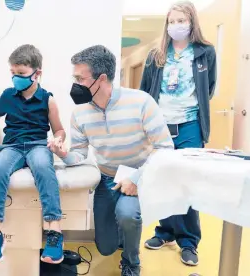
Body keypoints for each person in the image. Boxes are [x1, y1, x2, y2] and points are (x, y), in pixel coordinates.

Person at [49, 45, 174, 276]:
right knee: (105, 248)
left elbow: (165, 148)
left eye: (80, 78)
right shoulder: (80, 113)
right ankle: (122, 236)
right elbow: (79, 154)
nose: (75, 84)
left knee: (128, 214)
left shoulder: (141, 102)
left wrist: (137, 178)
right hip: (107, 178)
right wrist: (63, 153)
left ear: (102, 78)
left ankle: (131, 260)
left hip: (138, 175)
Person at [0, 44, 66, 266]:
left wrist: (58, 139)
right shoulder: (8, 95)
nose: (16, 78)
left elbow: (59, 129)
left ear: (36, 73)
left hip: (37, 144)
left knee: (43, 169)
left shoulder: (47, 99)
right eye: (13, 73)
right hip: (11, 146)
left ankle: (54, 232)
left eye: (21, 73)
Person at [139, 1, 216, 266]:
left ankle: (188, 241)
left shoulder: (205, 53)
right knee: (162, 179)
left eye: (181, 20)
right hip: (160, 125)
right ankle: (165, 231)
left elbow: (210, 87)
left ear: (192, 22)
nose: (176, 26)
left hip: (190, 124)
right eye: (172, 21)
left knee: (185, 182)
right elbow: (145, 91)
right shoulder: (156, 54)